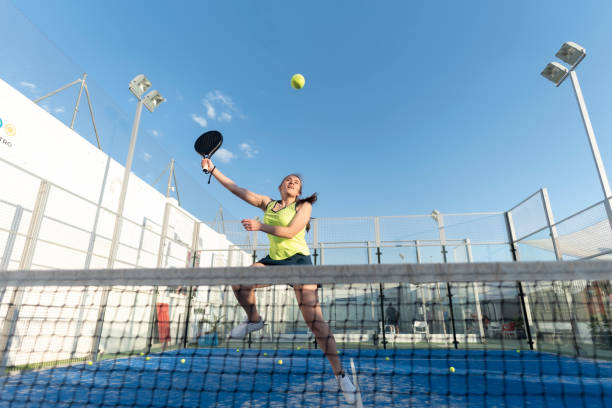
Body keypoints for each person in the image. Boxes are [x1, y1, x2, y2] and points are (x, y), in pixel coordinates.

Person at [201, 158, 356, 404]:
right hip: (274, 261)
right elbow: (236, 188)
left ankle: (341, 376)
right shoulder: (268, 204)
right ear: (280, 186)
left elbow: (291, 232)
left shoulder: (304, 206)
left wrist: (260, 226)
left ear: (300, 191)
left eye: (297, 182)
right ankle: (254, 320)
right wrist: (214, 170)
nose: (293, 183)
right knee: (239, 281)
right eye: (289, 180)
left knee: (316, 324)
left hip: (300, 264)